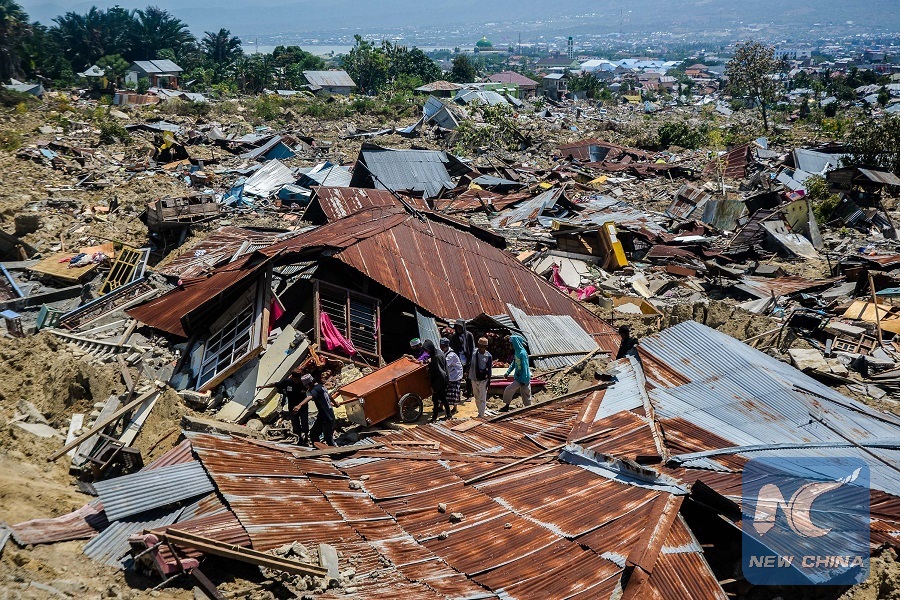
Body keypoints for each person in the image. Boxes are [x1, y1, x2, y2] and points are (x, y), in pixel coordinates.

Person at [257, 372, 308, 444]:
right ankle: (299, 438)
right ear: (292, 378)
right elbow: (275, 384)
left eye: (298, 379)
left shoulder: (304, 383)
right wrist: (264, 386)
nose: (296, 381)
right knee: (295, 424)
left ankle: (306, 437)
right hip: (292, 407)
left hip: (303, 407)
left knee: (304, 423)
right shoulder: (287, 382)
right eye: (295, 379)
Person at [302, 373, 339, 447]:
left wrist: (299, 405)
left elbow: (310, 397)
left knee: (328, 438)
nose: (307, 388)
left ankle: (334, 451)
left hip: (327, 417)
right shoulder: (321, 387)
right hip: (322, 416)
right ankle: (318, 448)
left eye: (307, 386)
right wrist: (335, 404)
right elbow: (329, 396)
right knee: (313, 433)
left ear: (310, 383)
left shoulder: (315, 389)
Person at [499, 334, 531, 412]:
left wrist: (523, 380)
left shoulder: (522, 353)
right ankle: (507, 406)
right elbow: (514, 363)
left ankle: (529, 410)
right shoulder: (517, 352)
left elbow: (525, 367)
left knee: (526, 395)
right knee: (508, 390)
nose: (510, 346)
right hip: (518, 378)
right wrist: (508, 372)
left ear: (515, 343)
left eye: (511, 344)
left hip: (524, 378)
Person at [422, 340, 450, 421]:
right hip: (442, 380)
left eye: (427, 350)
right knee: (442, 398)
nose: (426, 352)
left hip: (441, 381)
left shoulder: (437, 357)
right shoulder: (436, 352)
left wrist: (435, 387)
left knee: (436, 399)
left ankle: (435, 417)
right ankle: (448, 415)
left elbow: (441, 374)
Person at [469, 337, 493, 418]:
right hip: (474, 377)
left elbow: (489, 369)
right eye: (479, 346)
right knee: (476, 397)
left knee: (482, 398)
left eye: (482, 347)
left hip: (483, 380)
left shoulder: (488, 356)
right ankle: (479, 411)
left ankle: (481, 415)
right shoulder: (474, 353)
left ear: (485, 347)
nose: (480, 348)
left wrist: (489, 380)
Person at [440, 338, 463, 412]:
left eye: (443, 346)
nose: (441, 347)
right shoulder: (443, 353)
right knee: (443, 391)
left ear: (446, 346)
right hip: (449, 374)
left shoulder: (451, 355)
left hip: (455, 375)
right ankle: (441, 406)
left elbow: (444, 364)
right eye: (441, 346)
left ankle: (455, 407)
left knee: (453, 392)